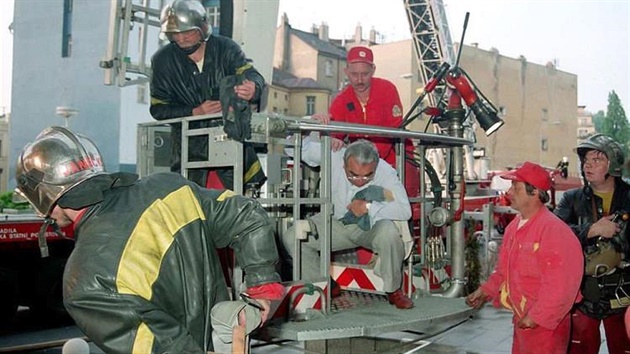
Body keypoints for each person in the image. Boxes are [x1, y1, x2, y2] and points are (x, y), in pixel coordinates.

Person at [14, 126, 284, 354]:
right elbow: (247, 213)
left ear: (45, 198)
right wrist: (263, 289)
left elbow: (160, 348)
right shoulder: (170, 189)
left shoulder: (83, 282)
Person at [466, 161, 584, 354]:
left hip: (547, 327)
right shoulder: (514, 228)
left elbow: (562, 285)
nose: (509, 193)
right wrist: (485, 291)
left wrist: (537, 317)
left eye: (516, 187)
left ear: (535, 192)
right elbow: (504, 270)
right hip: (523, 320)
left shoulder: (555, 231)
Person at [281, 138, 414, 309]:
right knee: (293, 236)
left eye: (368, 175)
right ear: (344, 164)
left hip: (367, 226)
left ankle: (393, 290)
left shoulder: (385, 171)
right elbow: (292, 147)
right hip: (334, 222)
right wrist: (311, 126)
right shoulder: (334, 155)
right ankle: (323, 286)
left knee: (389, 232)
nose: (360, 180)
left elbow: (404, 209)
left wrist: (369, 207)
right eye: (353, 174)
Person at [150, 0, 266, 190]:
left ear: (202, 27)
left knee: (235, 205)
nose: (181, 39)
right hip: (190, 153)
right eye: (175, 34)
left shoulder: (226, 48)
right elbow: (158, 109)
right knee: (194, 207)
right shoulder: (162, 61)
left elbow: (252, 75)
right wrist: (194, 112)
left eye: (187, 32)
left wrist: (254, 87)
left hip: (232, 145)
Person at [554, 134, 630, 354]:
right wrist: (591, 230)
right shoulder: (571, 198)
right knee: (581, 349)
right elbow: (554, 235)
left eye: (596, 159)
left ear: (613, 164)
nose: (588, 164)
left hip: (623, 292)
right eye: (586, 159)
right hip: (583, 293)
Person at [312, 46, 419, 197]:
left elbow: (394, 128)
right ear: (346, 71)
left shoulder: (387, 90)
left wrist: (367, 163)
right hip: (363, 166)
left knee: (406, 203)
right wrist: (331, 136)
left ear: (373, 70)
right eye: (354, 74)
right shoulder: (342, 100)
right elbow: (334, 134)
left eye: (365, 74)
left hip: (398, 158)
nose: (360, 80)